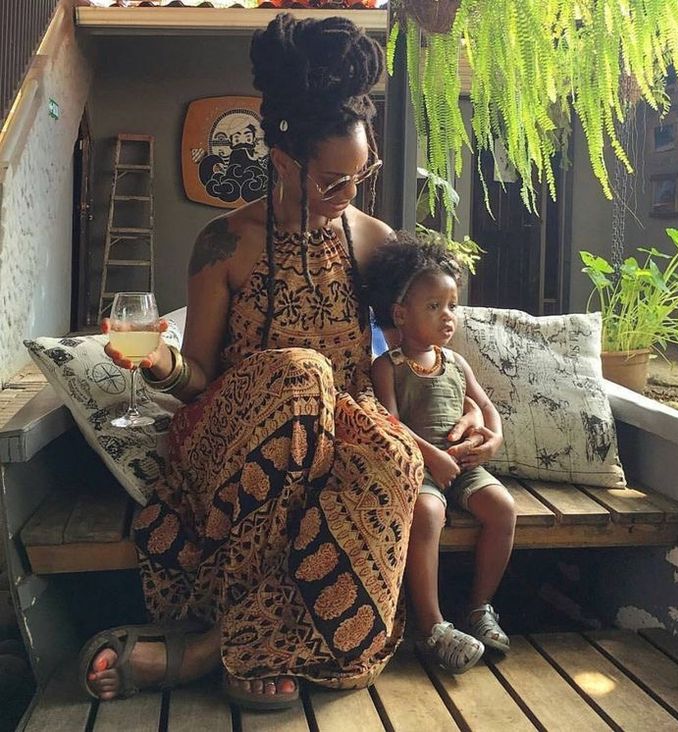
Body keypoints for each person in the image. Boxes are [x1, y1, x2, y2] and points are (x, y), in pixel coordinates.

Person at [80, 13, 486, 710]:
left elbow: (407, 344)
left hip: (339, 437)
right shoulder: (224, 243)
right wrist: (159, 368)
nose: (348, 195)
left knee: (392, 455)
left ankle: (215, 648)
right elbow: (198, 377)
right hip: (240, 443)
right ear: (281, 156)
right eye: (332, 180)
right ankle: (246, 643)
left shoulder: (373, 239)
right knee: (303, 373)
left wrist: (477, 409)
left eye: (363, 176)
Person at [365, 234, 517, 674]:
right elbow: (390, 424)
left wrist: (494, 438)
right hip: (421, 468)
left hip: (464, 464)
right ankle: (432, 625)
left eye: (451, 305)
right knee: (427, 514)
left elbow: (486, 409)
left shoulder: (456, 362)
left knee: (502, 508)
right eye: (433, 307)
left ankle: (479, 608)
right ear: (400, 313)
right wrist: (432, 457)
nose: (447, 316)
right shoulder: (388, 366)